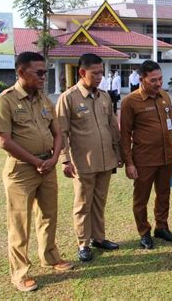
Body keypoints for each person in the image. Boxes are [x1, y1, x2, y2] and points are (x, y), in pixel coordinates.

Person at [0, 51, 73, 292]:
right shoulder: (4, 101)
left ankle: (49, 256)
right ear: (21, 72)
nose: (43, 77)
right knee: (19, 223)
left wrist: (55, 156)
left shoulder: (45, 100)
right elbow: (4, 141)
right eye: (39, 72)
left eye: (45, 72)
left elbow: (57, 132)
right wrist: (35, 162)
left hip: (48, 166)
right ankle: (20, 273)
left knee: (49, 214)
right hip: (22, 170)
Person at [55, 53, 123, 262]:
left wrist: (118, 153)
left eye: (101, 72)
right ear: (82, 72)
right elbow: (61, 132)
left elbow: (112, 126)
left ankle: (99, 238)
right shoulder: (68, 98)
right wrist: (65, 160)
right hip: (83, 162)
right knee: (83, 205)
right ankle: (83, 244)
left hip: (105, 161)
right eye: (95, 73)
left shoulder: (104, 97)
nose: (100, 77)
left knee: (99, 202)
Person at [120, 60, 172, 250]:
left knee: (164, 194)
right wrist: (129, 163)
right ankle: (144, 232)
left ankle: (161, 227)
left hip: (166, 157)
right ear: (142, 79)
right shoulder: (130, 101)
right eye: (153, 80)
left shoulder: (164, 96)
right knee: (141, 198)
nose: (158, 83)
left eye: (160, 78)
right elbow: (124, 135)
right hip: (144, 159)